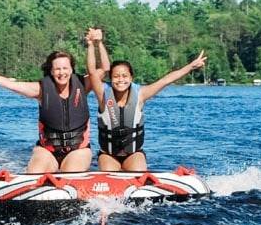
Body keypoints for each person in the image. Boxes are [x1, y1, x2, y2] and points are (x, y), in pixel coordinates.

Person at [0, 29, 108, 173]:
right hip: (47, 151)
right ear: (51, 71)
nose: (62, 73)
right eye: (57, 69)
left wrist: (97, 43)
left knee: (71, 174)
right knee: (35, 173)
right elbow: (12, 85)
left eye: (65, 68)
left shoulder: (83, 84)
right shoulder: (41, 89)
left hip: (78, 150)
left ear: (71, 69)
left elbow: (104, 69)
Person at [86, 29, 206, 171]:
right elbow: (92, 72)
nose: (120, 80)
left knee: (138, 172)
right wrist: (92, 44)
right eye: (116, 76)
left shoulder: (141, 94)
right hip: (108, 155)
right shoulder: (103, 95)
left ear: (131, 78)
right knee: (109, 174)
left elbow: (166, 80)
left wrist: (191, 66)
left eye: (124, 76)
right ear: (111, 79)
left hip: (134, 154)